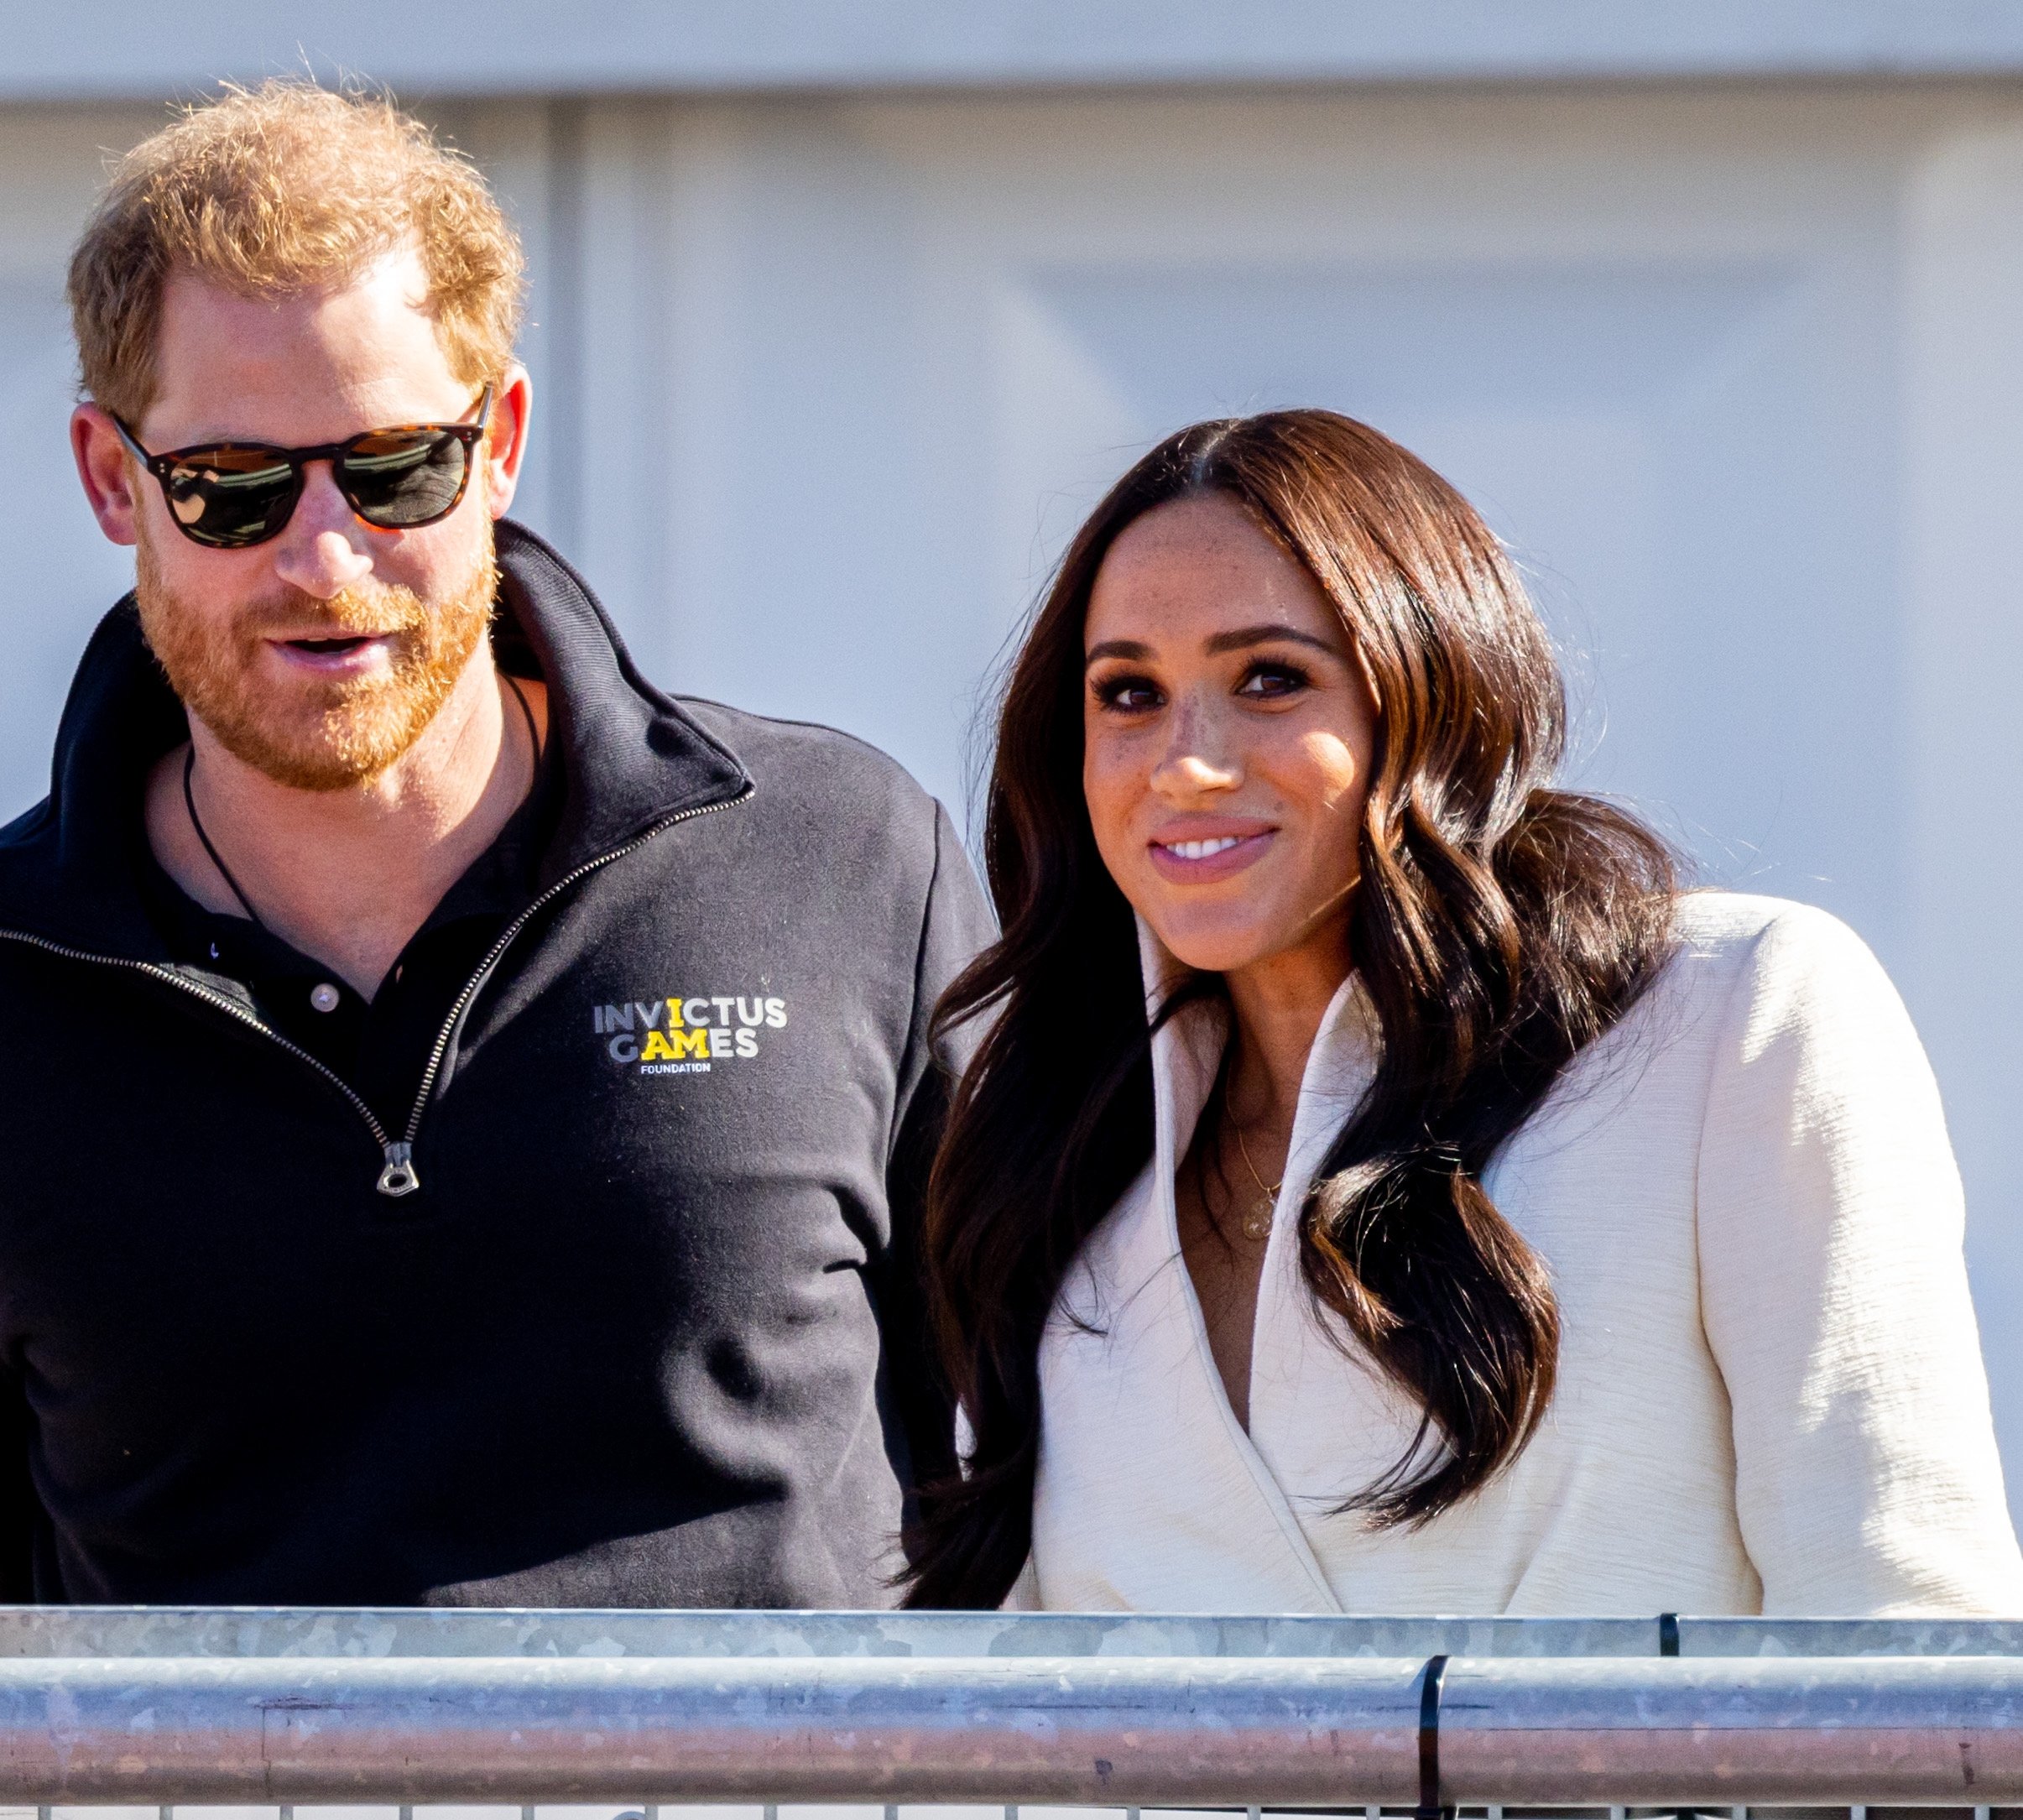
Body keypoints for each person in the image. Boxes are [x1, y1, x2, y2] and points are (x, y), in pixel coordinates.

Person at [0, 80, 992, 1606]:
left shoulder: (844, 869)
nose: (325, 559)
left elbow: (1059, 1462)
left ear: (503, 436)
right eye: (233, 490)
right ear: (111, 480)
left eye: (396, 469)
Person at [907, 409, 2023, 1615]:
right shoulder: (1052, 1135)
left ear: (1432, 691)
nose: (1185, 760)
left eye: (1270, 677)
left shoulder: (1739, 1015)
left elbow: (1909, 1639)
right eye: (1128, 693)